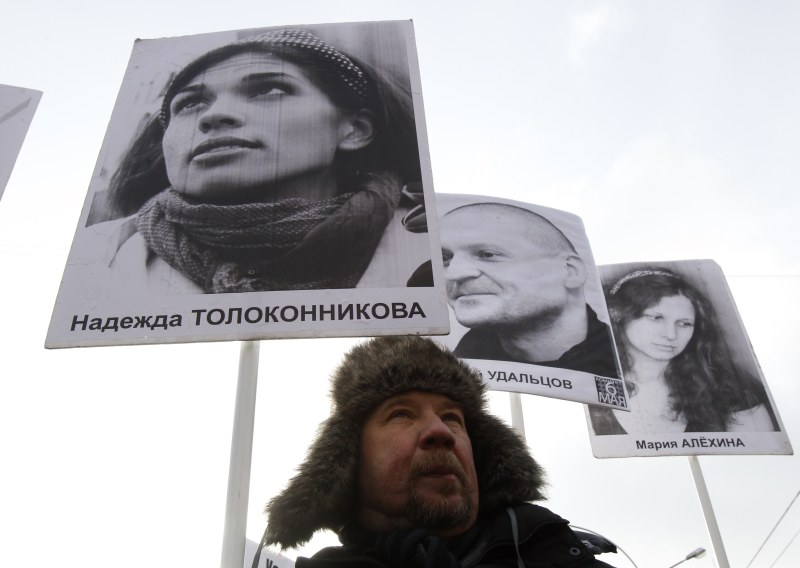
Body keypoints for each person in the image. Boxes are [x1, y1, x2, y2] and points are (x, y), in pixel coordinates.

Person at [86, 27, 430, 294]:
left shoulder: (436, 252)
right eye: (190, 103)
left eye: (269, 90)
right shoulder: (94, 259)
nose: (215, 115)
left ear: (355, 129)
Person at [258, 336, 617, 567]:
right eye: (401, 414)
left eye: (452, 417)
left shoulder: (561, 555)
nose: (440, 431)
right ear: (349, 457)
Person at [589, 268, 777, 435]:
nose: (671, 335)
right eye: (656, 318)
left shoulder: (731, 388)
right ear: (617, 313)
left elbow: (759, 465)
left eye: (684, 323)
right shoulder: (587, 381)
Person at [439, 202, 618, 378]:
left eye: (488, 254)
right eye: (445, 259)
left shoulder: (629, 360)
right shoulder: (446, 377)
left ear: (571, 271)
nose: (453, 273)